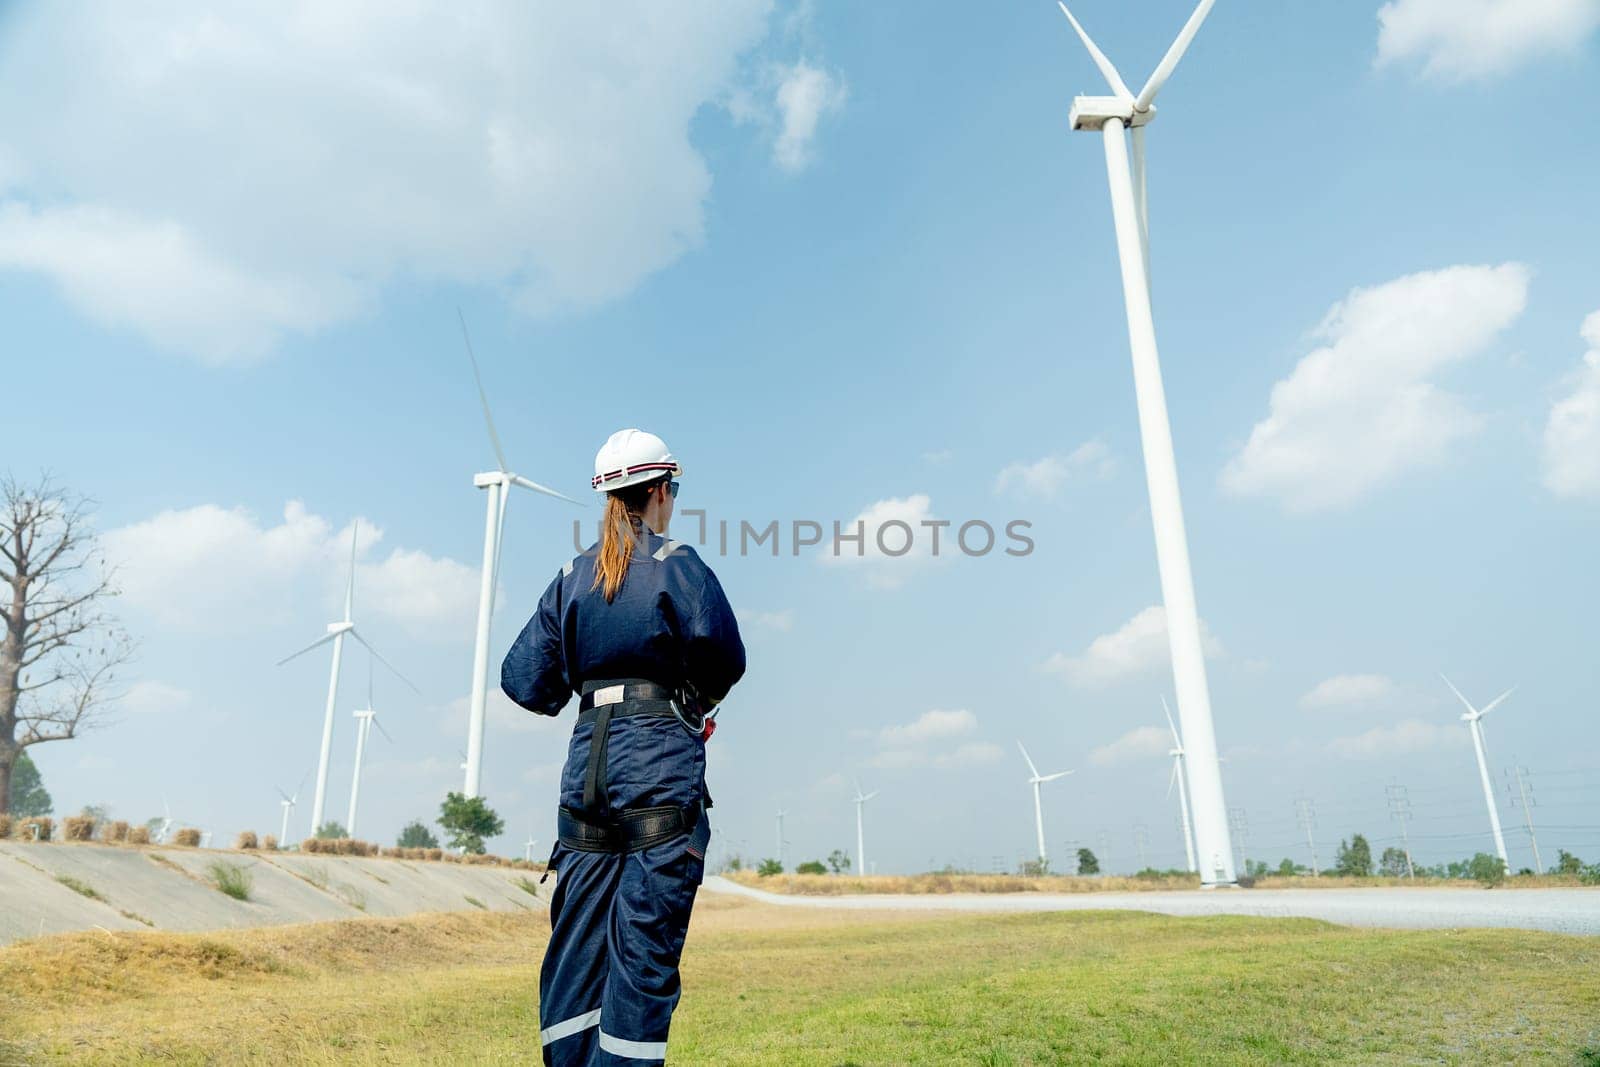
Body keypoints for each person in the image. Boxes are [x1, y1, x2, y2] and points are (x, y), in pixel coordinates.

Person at [503, 427, 745, 1066]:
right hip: (658, 769)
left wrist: (589, 681)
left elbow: (522, 679)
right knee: (642, 961)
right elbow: (724, 654)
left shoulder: (570, 576)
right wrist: (686, 702)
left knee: (575, 960)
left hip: (587, 772)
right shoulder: (678, 563)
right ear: (661, 491)